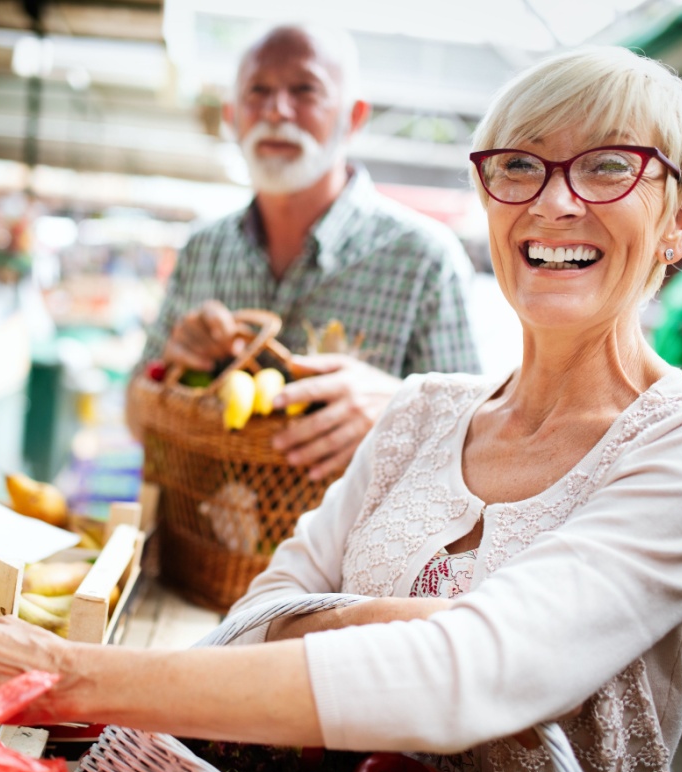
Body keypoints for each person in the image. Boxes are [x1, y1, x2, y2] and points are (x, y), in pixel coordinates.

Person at [0, 46, 682, 772]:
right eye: (520, 165)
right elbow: (246, 624)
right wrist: (372, 622)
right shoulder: (419, 413)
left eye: (607, 166)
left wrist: (57, 675)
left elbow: (484, 670)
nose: (552, 202)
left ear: (681, 222)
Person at [129, 24, 481, 479]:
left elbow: (476, 444)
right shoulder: (203, 250)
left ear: (352, 118)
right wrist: (169, 369)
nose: (277, 111)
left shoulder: (423, 259)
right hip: (198, 545)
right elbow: (137, 420)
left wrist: (399, 414)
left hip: (352, 550)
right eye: (258, 92)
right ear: (232, 115)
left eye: (304, 91)